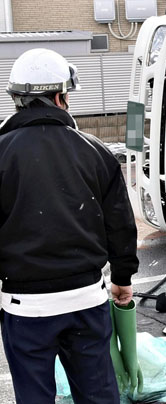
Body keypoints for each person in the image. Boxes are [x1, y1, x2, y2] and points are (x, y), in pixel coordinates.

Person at [0, 48, 139, 403]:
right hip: (85, 301)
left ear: (18, 99)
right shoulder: (95, 151)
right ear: (61, 97)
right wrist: (122, 279)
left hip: (25, 307)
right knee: (97, 395)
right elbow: (121, 225)